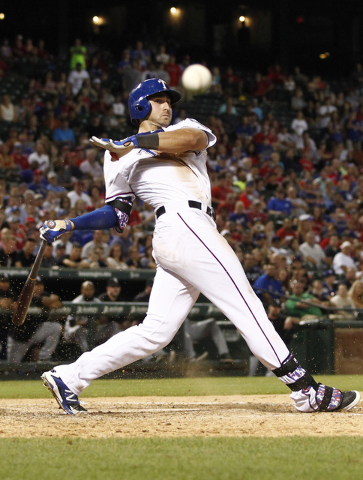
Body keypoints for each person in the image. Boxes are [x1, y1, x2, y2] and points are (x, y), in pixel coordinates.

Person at [39, 78, 359, 414]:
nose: (167, 106)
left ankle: (68, 377)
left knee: (155, 333)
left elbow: (192, 139)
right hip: (181, 227)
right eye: (158, 100)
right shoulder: (116, 156)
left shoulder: (184, 128)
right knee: (245, 303)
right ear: (139, 106)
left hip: (191, 229)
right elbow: (117, 214)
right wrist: (69, 224)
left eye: (168, 101)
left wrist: (134, 142)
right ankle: (306, 390)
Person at [7, 277, 62, 362]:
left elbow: (59, 303)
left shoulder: (44, 294)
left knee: (55, 327)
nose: (38, 287)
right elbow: (47, 302)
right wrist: (50, 301)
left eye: (40, 284)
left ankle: (44, 357)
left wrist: (51, 301)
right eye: (35, 285)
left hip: (35, 331)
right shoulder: (26, 294)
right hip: (19, 337)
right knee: (12, 366)